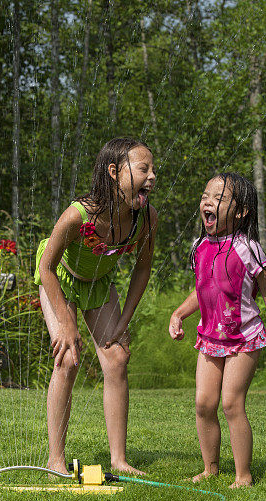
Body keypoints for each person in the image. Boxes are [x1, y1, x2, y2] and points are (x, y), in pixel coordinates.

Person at [35, 137, 158, 475]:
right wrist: (66, 322)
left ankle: (119, 458)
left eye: (153, 170)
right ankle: (56, 460)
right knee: (69, 358)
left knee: (117, 358)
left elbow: (143, 268)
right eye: (143, 169)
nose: (151, 177)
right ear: (114, 171)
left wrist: (124, 322)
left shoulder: (145, 218)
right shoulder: (79, 215)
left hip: (98, 284)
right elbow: (46, 267)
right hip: (59, 278)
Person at [168, 172, 266, 487]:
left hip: (245, 338)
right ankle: (210, 469)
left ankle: (243, 476)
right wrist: (179, 314)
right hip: (210, 337)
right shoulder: (199, 246)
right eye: (205, 195)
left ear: (240, 212)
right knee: (203, 404)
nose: (208, 202)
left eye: (219, 199)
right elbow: (203, 288)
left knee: (231, 403)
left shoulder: (248, 247)